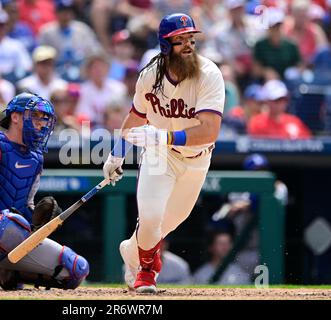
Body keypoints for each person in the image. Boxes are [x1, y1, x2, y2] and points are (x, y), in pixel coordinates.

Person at [103, 13, 225, 293]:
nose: (188, 45)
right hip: (159, 156)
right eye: (179, 40)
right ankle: (146, 273)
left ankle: (131, 252)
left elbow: (209, 131)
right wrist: (117, 154)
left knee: (167, 224)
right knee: (150, 216)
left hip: (196, 158)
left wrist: (163, 136)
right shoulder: (150, 75)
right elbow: (136, 116)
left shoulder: (209, 74)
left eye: (190, 39)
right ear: (165, 44)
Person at [0, 92, 89, 290]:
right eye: (35, 116)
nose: (41, 123)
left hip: (13, 233)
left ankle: (6, 272)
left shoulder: (36, 158)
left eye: (44, 118)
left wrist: (37, 220)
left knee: (76, 268)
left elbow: (26, 204)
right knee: (12, 222)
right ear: (15, 117)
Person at [247, 79, 312, 139]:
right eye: (277, 100)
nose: (281, 104)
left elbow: (309, 143)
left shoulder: (294, 121)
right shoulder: (257, 123)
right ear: (267, 101)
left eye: (284, 99)